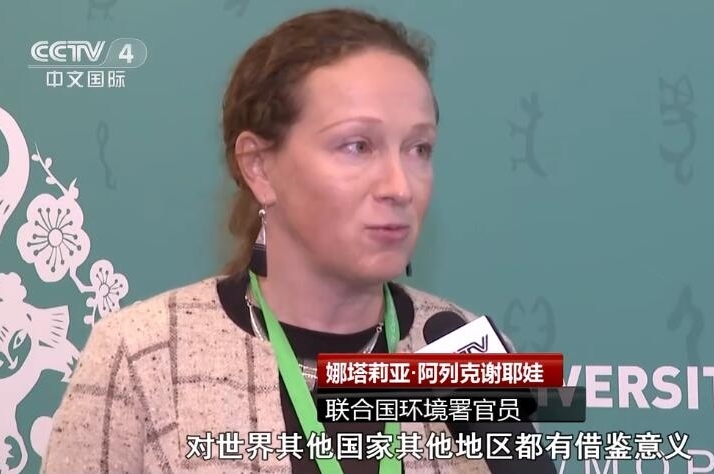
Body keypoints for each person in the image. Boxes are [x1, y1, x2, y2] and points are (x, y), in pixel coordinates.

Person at [42, 7, 555, 474]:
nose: (400, 186)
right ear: (259, 167)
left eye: (419, 148)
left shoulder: (463, 350)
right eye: (358, 146)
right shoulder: (143, 355)